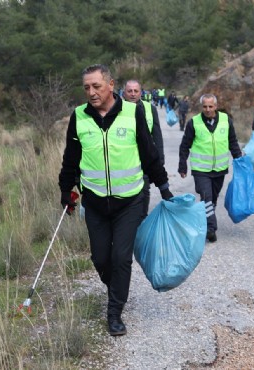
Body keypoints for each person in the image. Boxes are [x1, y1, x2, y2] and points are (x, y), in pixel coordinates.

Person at [58, 64, 173, 336]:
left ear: (111, 85)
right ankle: (117, 289)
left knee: (121, 257)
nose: (91, 92)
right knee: (101, 259)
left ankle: (115, 312)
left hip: (130, 201)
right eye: (86, 87)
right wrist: (66, 191)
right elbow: (71, 158)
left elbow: (149, 153)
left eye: (96, 86)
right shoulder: (79, 117)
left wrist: (164, 186)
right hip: (95, 202)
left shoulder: (134, 112)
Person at [178, 94, 242, 243]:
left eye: (210, 106)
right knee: (206, 196)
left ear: (216, 106)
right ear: (202, 107)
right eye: (205, 106)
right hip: (201, 169)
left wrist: (238, 159)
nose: (207, 109)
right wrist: (182, 165)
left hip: (220, 168)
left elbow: (232, 142)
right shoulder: (194, 123)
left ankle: (206, 219)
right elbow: (185, 145)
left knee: (212, 199)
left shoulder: (226, 121)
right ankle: (211, 228)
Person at [123, 79, 165, 217]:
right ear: (124, 92)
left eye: (136, 91)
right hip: (125, 162)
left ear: (141, 92)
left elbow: (157, 135)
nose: (133, 94)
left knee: (144, 192)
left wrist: (160, 159)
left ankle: (141, 220)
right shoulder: (117, 108)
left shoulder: (149, 108)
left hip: (145, 160)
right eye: (130, 91)